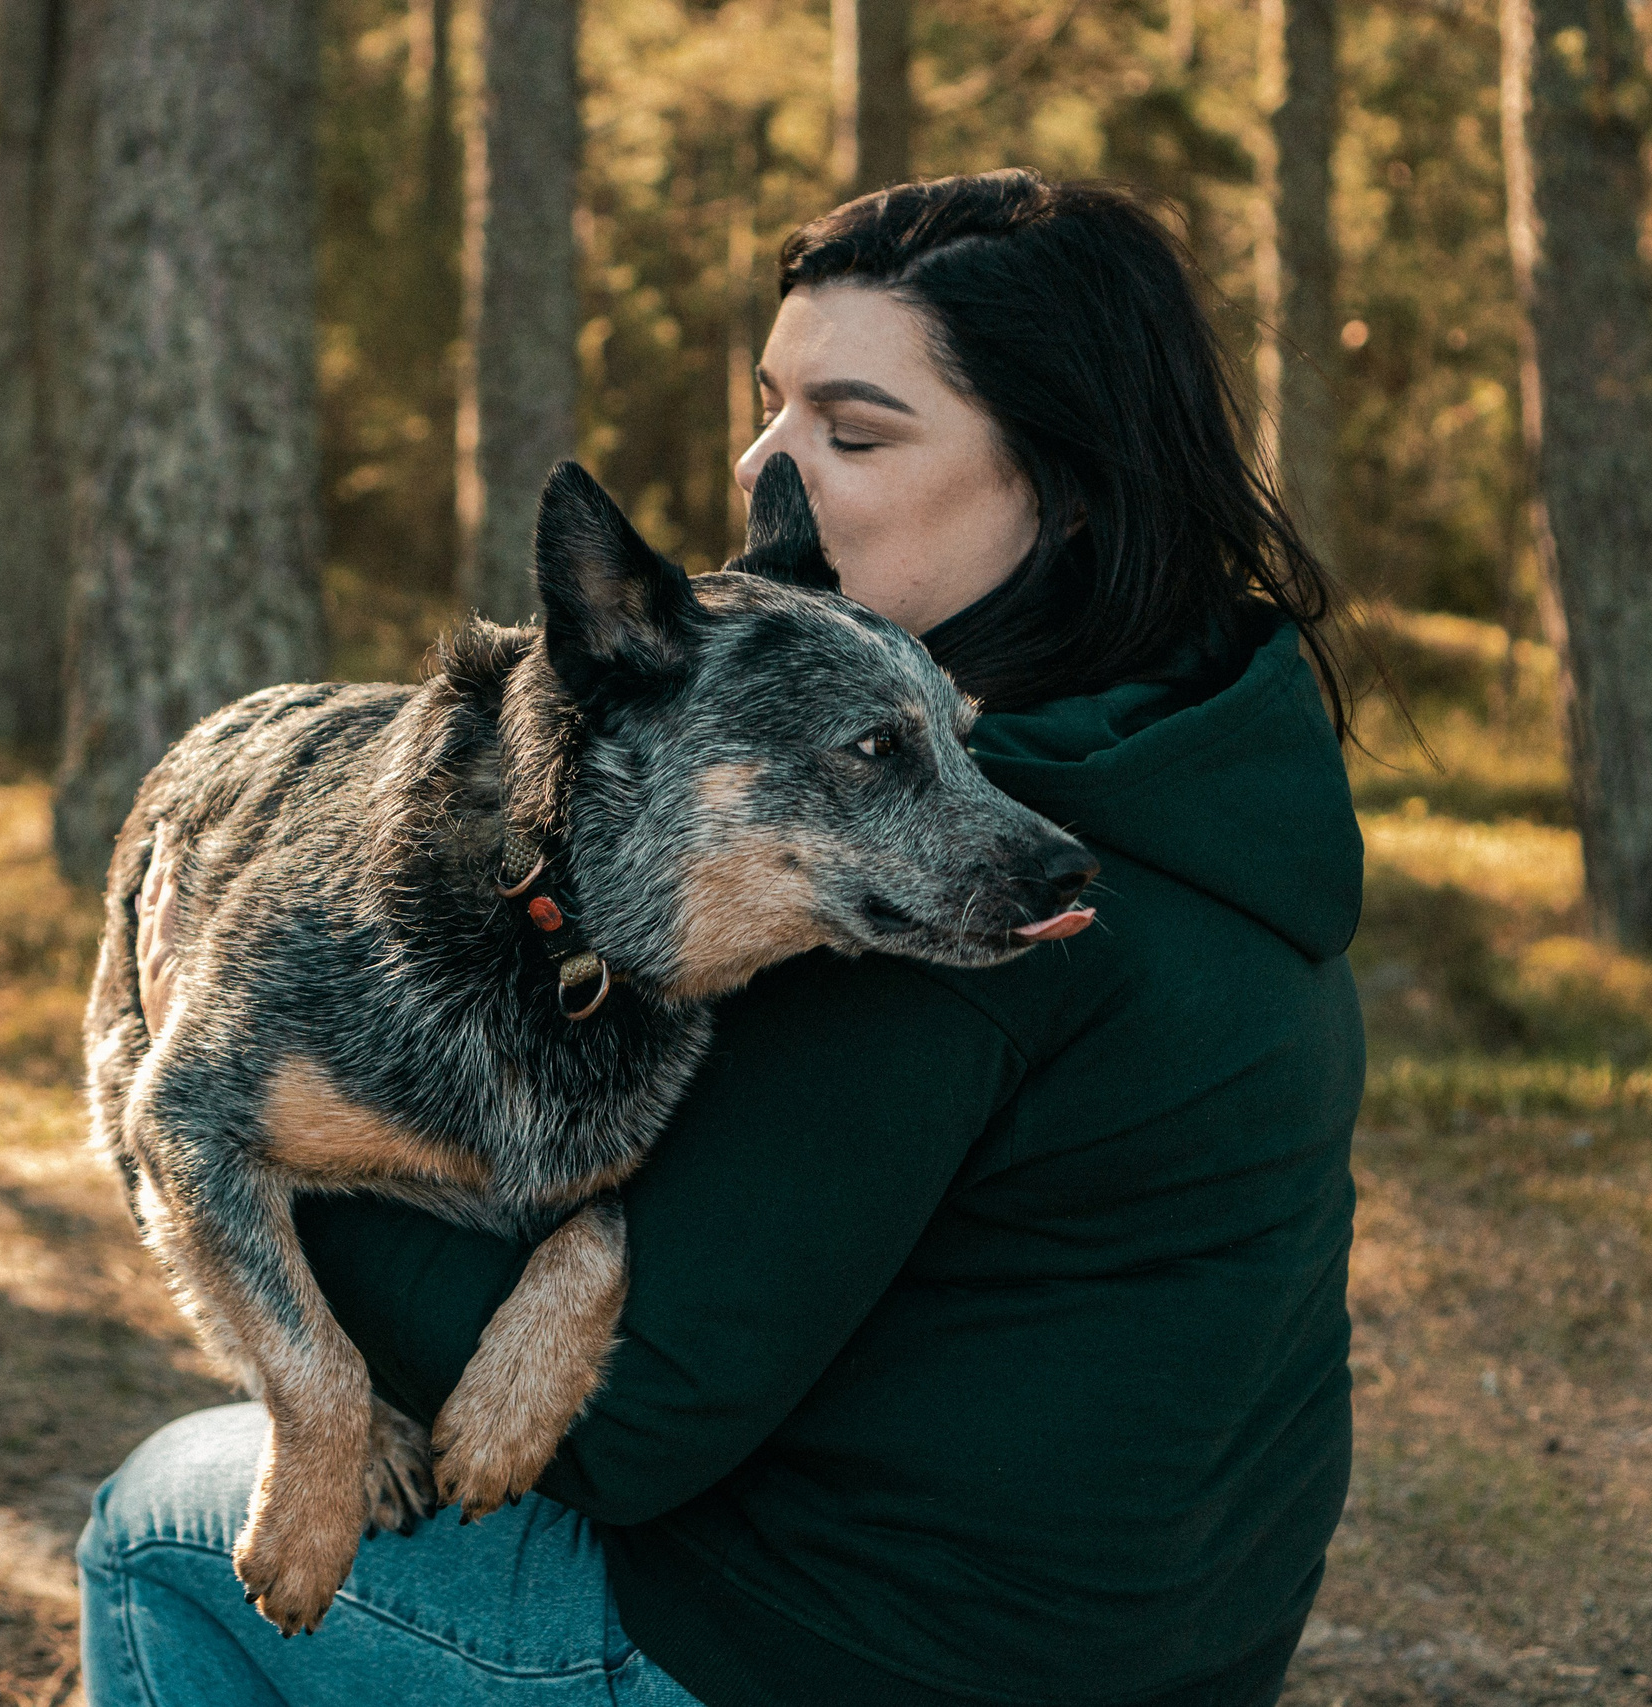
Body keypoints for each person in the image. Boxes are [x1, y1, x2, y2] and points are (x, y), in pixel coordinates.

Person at [77, 168, 1366, 1707]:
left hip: (837, 1661)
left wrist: (226, 1096)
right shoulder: (1195, 761)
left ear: (1064, 482)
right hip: (1169, 1653)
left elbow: (630, 1428)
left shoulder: (932, 896)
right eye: (771, 409)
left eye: (854, 431)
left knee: (156, 1526)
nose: (766, 466)